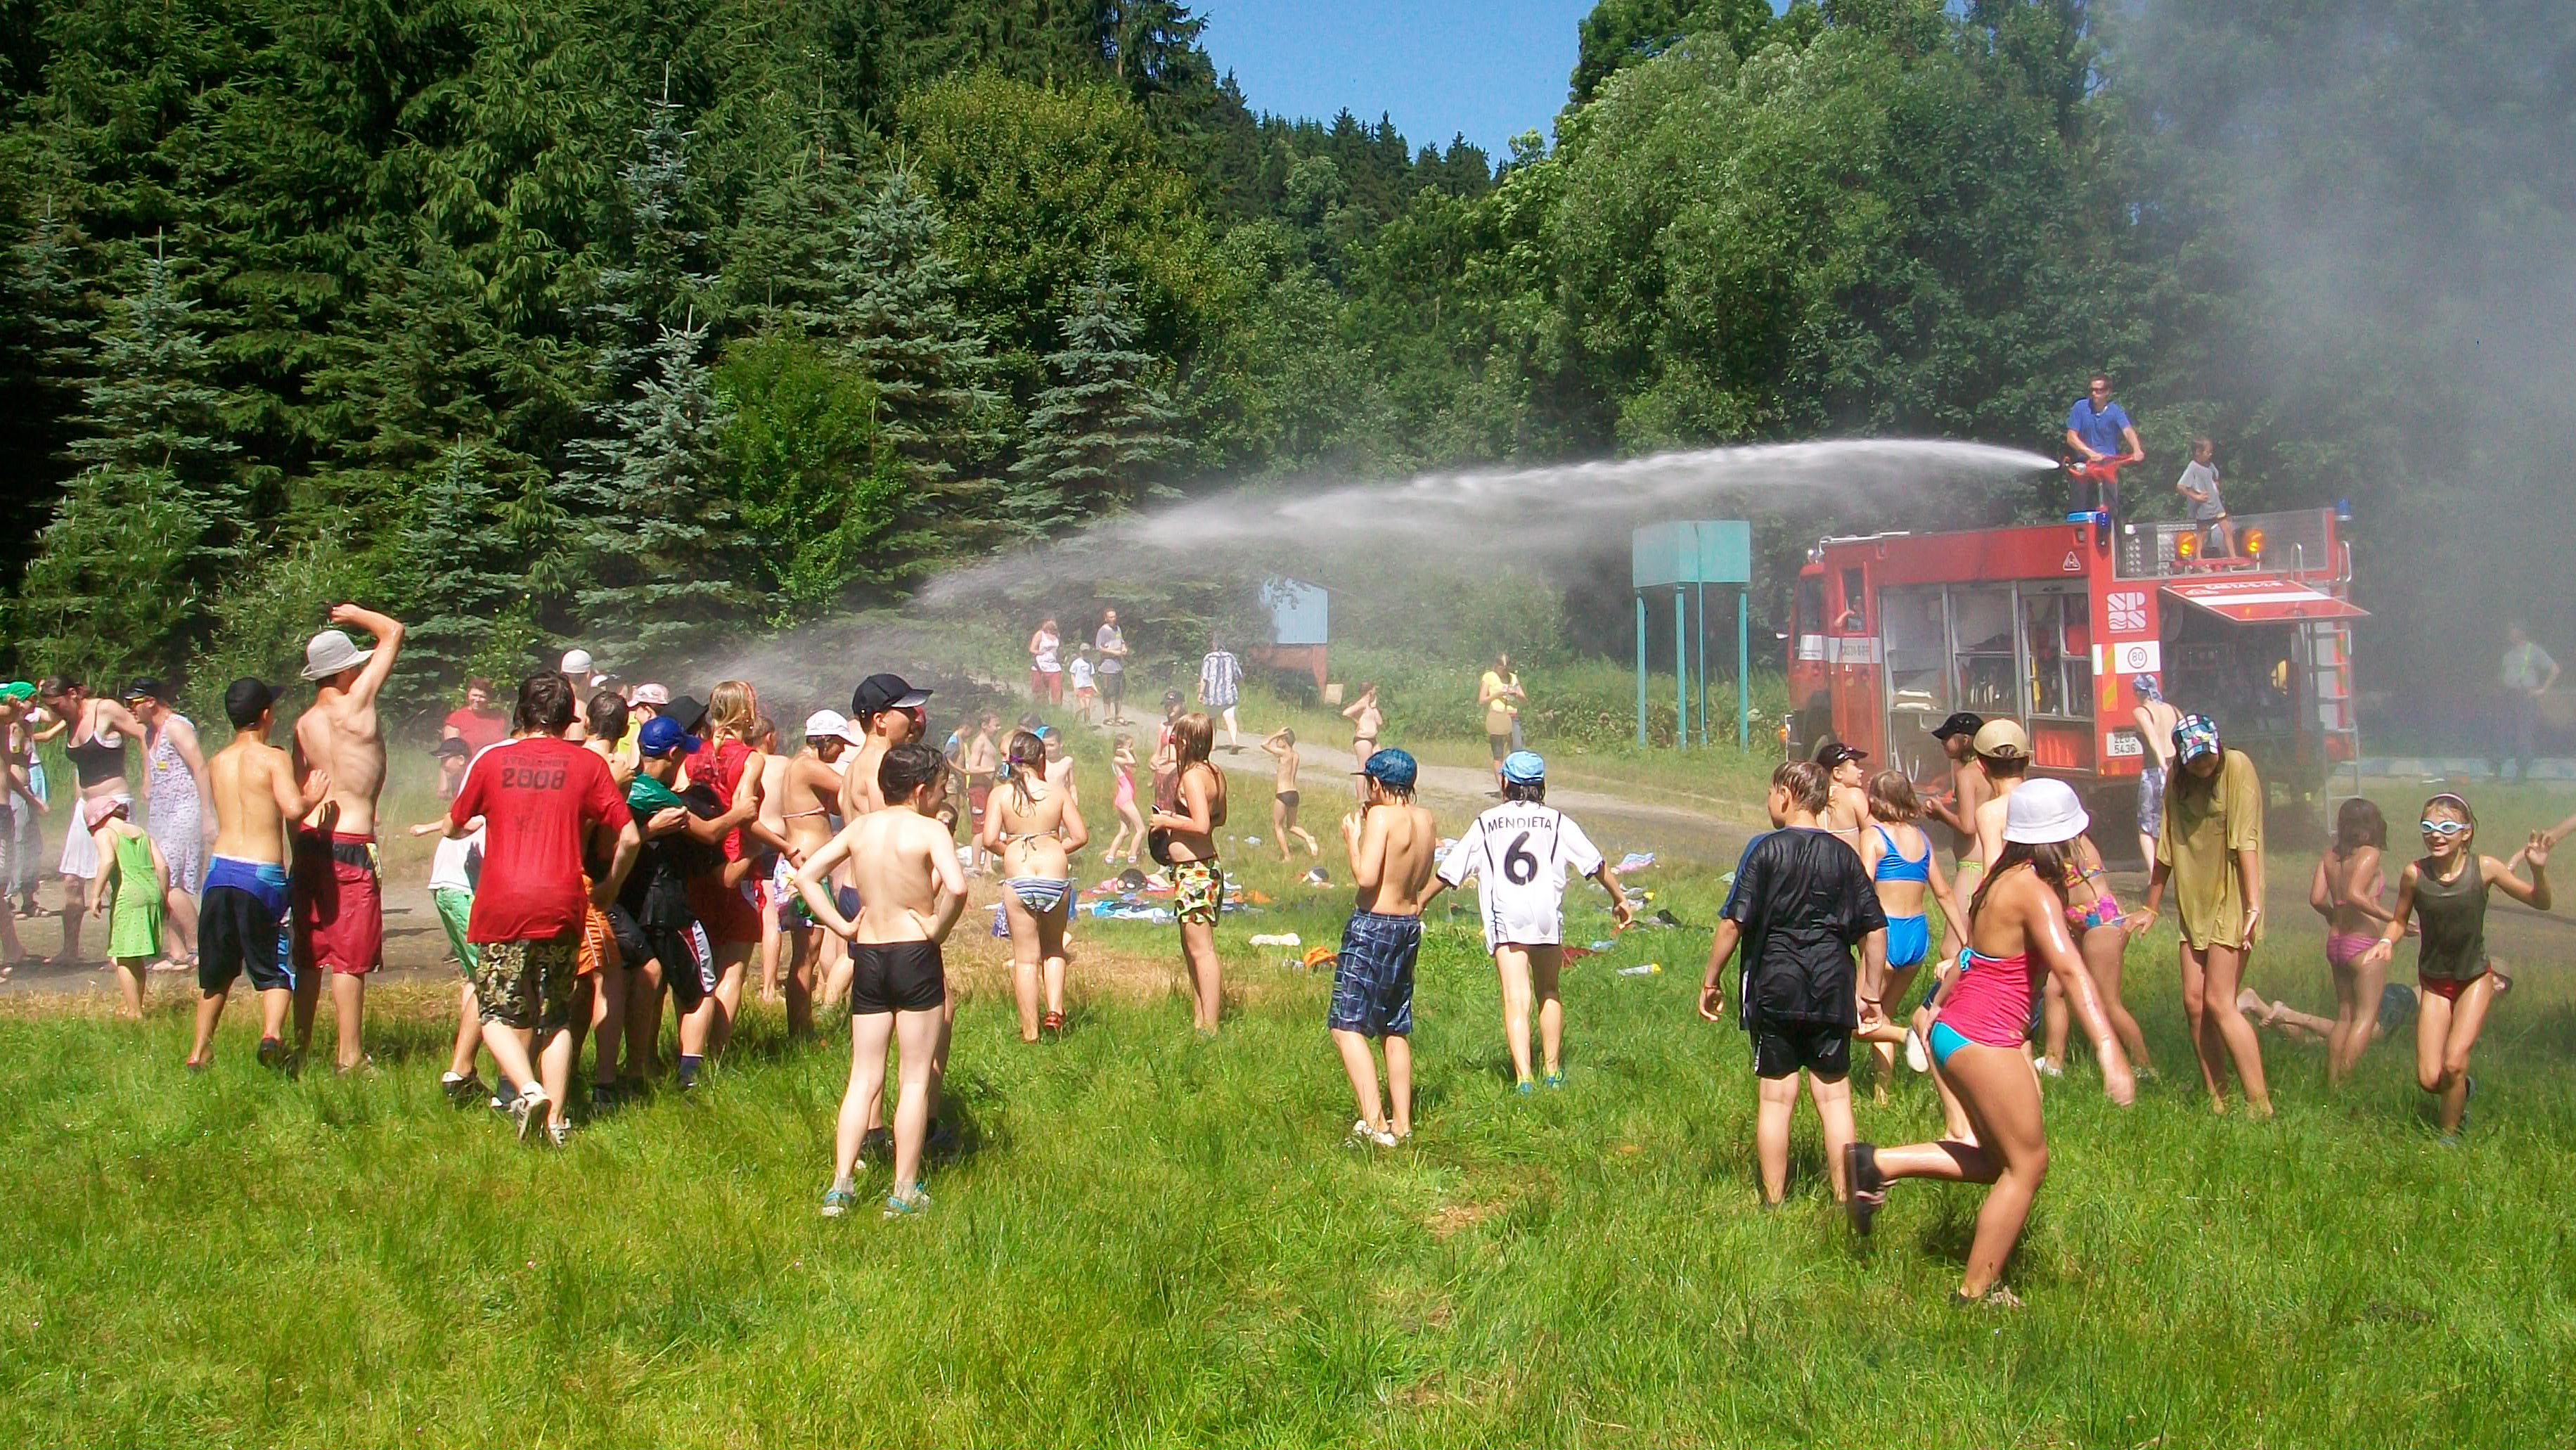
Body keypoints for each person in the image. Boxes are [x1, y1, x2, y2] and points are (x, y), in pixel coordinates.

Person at [1843, 780, 2138, 1305]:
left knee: (1998, 1161)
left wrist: (1933, 1010)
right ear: (2056, 840)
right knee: (2028, 1166)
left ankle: (1878, 1163)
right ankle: (1975, 1293)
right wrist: (2109, 1051)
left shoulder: (2003, 878)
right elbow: (2071, 971)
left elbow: (1974, 959)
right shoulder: (2031, 890)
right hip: (1984, 1037)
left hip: (1959, 1030)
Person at [444, 671, 638, 1142]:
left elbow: (454, 824)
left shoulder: (493, 760)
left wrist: (466, 826)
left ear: (523, 710)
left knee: (495, 1011)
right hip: (562, 902)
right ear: (568, 715)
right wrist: (610, 886)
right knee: (555, 1014)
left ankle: (528, 1089)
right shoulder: (586, 764)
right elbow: (630, 837)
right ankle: (557, 1123)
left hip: (503, 903)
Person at [1698, 760, 1886, 1205]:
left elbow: (1733, 923)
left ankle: (1774, 1201)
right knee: (1835, 1099)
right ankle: (1844, 1197)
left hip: (1775, 987)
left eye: (1769, 792)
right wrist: (1871, 993)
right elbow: (1875, 929)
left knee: (1776, 1099)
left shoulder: (1765, 851)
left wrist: (1711, 979)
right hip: (1832, 987)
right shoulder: (1845, 856)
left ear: (1785, 794)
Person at [798, 743, 965, 1218]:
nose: (942, 796)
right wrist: (937, 928)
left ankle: (840, 1186)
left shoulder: (860, 828)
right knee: (914, 1079)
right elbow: (957, 887)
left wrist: (841, 925)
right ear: (921, 790)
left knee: (863, 1076)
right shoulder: (930, 829)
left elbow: (807, 876)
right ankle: (903, 1191)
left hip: (869, 954)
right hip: (914, 953)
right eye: (941, 788)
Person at [1425, 750, 1633, 1091]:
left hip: (1507, 916)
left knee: (1516, 998)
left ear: (1505, 781)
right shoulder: (1557, 821)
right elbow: (1595, 863)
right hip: (1546, 915)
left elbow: (1450, 872)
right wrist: (1620, 898)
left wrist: (1419, 901)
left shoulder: (1487, 821)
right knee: (1549, 990)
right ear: (1541, 784)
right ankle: (1552, 1072)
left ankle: (1524, 1079)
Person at [2357, 795, 2551, 1141]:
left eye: (2447, 827)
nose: (2436, 835)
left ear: (2466, 833)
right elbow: (2399, 920)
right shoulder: (2414, 874)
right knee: (2430, 1078)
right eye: (2428, 827)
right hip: (2434, 982)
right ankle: (2462, 1090)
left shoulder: (2485, 868)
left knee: (2454, 1063)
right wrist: (2386, 941)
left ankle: (2449, 1138)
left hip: (2474, 978)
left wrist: (2537, 869)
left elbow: (2540, 901)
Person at [188, 680, 331, 1070]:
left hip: (219, 872)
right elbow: (292, 808)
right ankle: (272, 1036)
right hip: (260, 875)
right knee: (274, 967)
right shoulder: (272, 758)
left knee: (217, 972)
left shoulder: (218, 761)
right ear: (266, 714)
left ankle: (199, 1051)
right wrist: (312, 796)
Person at [2136, 714, 2271, 1118]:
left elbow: (2246, 840)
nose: (2203, 763)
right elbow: (2166, 847)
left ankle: (2259, 1103)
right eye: (2194, 758)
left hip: (2233, 897)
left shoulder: (2238, 767)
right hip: (2194, 900)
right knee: (2194, 1003)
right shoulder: (2176, 782)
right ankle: (2218, 1099)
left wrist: (2254, 905)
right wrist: (2151, 906)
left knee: (2218, 1001)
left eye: (2207, 754)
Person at [290, 604, 404, 1074]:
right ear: (342, 672)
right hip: (351, 842)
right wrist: (354, 613)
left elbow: (300, 792)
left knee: (311, 953)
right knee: (349, 957)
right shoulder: (356, 704)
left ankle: (300, 1046)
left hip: (310, 840)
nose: (359, 671)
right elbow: (392, 632)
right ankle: (350, 1056)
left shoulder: (303, 724)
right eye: (353, 666)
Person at [1332, 748, 1437, 1146]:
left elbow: (1366, 877)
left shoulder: (1380, 817)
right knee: (1393, 1024)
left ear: (1376, 783)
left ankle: (1375, 1123)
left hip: (1373, 925)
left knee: (1345, 1026)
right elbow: (1419, 878)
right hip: (1407, 925)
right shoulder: (1425, 819)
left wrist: (1353, 839)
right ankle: (1402, 1123)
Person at [680, 681, 785, 1067]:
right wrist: (783, 845)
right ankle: (718, 1056)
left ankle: (688, 1050)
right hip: (737, 861)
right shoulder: (751, 759)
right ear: (746, 713)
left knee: (699, 965)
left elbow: (680, 798)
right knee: (732, 968)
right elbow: (745, 813)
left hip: (698, 865)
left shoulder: (693, 755)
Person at [1852, 771, 1969, 1098]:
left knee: (1855, 1022)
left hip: (1885, 934)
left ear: (1874, 799)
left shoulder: (1873, 836)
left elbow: (1863, 888)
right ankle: (1882, 1094)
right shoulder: (1922, 839)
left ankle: (1909, 1036)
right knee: (1882, 1015)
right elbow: (1943, 892)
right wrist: (1965, 941)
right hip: (1917, 936)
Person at [981, 729, 1088, 1041]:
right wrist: (1054, 847)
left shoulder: (1000, 795)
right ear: (1041, 759)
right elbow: (1080, 836)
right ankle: (1054, 1010)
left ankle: (1030, 1030)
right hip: (1055, 876)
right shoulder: (1057, 793)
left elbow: (989, 839)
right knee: (1053, 948)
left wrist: (1012, 849)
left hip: (1020, 878)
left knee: (1026, 959)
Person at [37, 676, 148, 967]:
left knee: (117, 878)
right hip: (85, 807)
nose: (54, 711)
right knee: (72, 880)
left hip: (114, 802)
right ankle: (70, 949)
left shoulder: (105, 709)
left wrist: (148, 776)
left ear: (73, 694)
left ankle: (119, 948)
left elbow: (143, 734)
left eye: (57, 704)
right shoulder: (70, 720)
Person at [776, 710, 863, 1038]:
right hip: (805, 865)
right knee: (805, 956)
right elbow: (849, 789)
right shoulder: (808, 766)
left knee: (807, 953)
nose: (841, 752)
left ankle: (802, 1028)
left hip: (803, 863)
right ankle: (800, 1032)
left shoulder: (797, 764)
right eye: (839, 744)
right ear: (824, 740)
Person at [2310, 797, 2396, 1088]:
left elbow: (2316, 899)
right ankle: (2345, 1084)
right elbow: (2356, 895)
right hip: (2363, 942)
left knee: (2344, 1016)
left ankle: (2332, 1082)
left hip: (2336, 942)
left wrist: (2332, 915)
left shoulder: (2330, 856)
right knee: (2366, 1017)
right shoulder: (2369, 854)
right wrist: (2395, 918)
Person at [127, 678, 212, 973]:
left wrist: (207, 813)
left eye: (134, 703)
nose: (130, 709)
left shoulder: (177, 726)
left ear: (151, 701)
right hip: (161, 814)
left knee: (171, 880)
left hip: (184, 810)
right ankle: (177, 951)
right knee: (158, 880)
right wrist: (147, 782)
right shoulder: (150, 731)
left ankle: (201, 945)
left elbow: (200, 766)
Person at [1150, 712, 1228, 1034]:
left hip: (1196, 871)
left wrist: (1167, 821)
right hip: (1202, 868)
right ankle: (1200, 1020)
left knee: (1202, 950)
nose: (1172, 743)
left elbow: (1203, 825)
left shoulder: (1194, 777)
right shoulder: (1215, 773)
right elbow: (1220, 818)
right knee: (1192, 949)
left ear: (1187, 741)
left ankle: (1210, 1026)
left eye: (1176, 738)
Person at [410, 800, 491, 1105]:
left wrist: (428, 827)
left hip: (448, 887)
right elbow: (468, 821)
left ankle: (466, 1063)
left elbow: (459, 818)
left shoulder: (481, 780)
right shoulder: (500, 781)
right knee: (491, 975)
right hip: (463, 888)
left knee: (476, 976)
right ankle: (461, 1071)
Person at [85, 798, 167, 1020]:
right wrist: (163, 897)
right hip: (152, 891)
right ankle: (135, 1004)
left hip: (129, 895)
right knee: (135, 956)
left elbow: (107, 861)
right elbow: (162, 867)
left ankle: (134, 1012)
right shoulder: (142, 833)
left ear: (96, 821)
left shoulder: (105, 833)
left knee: (123, 956)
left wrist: (95, 894)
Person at [2063, 371, 2144, 517]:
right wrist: (2091, 454)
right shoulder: (2080, 407)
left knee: (2112, 507)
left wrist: (2137, 449)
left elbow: (2127, 430)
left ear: (2108, 392)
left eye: (2099, 390)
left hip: (2107, 463)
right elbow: (2071, 437)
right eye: (2092, 390)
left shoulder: (2115, 411)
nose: (2094, 394)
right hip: (2085, 463)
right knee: (2080, 507)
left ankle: (2113, 529)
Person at [1920, 712, 1990, 868]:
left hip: (1972, 863)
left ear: (1964, 740)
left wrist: (1940, 812)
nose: (1942, 742)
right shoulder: (1987, 769)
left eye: (1947, 737)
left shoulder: (1966, 774)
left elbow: (1968, 826)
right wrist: (1947, 808)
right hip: (1987, 856)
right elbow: (1976, 809)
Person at [2494, 622, 2558, 783]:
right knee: (2503, 731)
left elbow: (2554, 669)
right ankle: (2497, 770)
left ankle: (2522, 772)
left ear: (2521, 632)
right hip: (2508, 696)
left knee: (2524, 734)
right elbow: (2504, 675)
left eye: (2513, 630)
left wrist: (2542, 690)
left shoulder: (2534, 651)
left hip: (2525, 697)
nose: (2510, 634)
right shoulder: (2508, 654)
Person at [2132, 676, 2179, 867]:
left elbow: (2153, 739)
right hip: (2177, 768)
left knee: (2146, 826)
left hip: (2155, 771)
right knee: (2172, 820)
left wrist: (2162, 765)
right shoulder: (2173, 710)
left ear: (2138, 692)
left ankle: (2154, 874)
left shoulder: (2141, 712)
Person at [1261, 727, 1322, 861]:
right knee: (1292, 826)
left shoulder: (1284, 754)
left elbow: (1264, 744)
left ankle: (1287, 856)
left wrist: (1275, 734)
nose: (1277, 742)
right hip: (1294, 793)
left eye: (1279, 739)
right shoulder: (1295, 755)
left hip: (1283, 793)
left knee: (1278, 826)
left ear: (1284, 741)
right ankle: (1308, 837)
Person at [2174, 437, 2233, 560]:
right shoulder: (2193, 467)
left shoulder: (2210, 465)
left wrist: (2216, 485)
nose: (2210, 454)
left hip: (2216, 504)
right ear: (2198, 452)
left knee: (2227, 529)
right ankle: (2199, 558)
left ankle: (2233, 556)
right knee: (2202, 533)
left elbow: (2215, 477)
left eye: (2211, 452)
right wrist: (2196, 496)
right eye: (2207, 452)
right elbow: (2181, 486)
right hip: (2204, 506)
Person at [955, 714, 998, 876]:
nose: (998, 728)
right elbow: (972, 768)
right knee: (980, 827)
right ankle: (975, 865)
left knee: (992, 824)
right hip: (978, 788)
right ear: (985, 725)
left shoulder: (990, 742)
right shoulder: (979, 742)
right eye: (995, 725)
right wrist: (993, 769)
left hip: (988, 787)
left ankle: (988, 865)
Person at [1478, 653, 1525, 789]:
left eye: (1506, 668)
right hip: (1498, 716)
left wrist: (1516, 694)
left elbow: (1524, 699)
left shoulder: (1513, 678)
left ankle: (1514, 782)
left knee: (1517, 751)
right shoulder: (1489, 677)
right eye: (1502, 668)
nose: (1504, 671)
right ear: (1496, 666)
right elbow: (1482, 700)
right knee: (1498, 754)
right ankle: (1503, 788)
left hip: (1512, 717)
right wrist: (1497, 695)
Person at [1104, 735, 1146, 866]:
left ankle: (1110, 857)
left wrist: (1130, 752)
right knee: (1141, 829)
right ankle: (1132, 857)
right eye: (1130, 746)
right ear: (1120, 747)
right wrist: (1125, 752)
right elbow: (1132, 762)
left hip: (1125, 798)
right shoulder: (1117, 760)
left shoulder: (1124, 762)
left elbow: (1136, 764)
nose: (1132, 748)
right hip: (1125, 799)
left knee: (1125, 831)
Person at [1817, 742, 1869, 845]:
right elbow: (1875, 835)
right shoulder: (1854, 795)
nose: (1861, 771)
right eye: (1855, 765)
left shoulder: (1812, 798)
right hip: (1850, 854)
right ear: (1838, 773)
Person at [442, 678, 509, 759]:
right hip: (470, 765)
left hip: (497, 763)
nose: (477, 700)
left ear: (489, 699)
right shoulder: (456, 718)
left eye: (482, 697)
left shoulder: (498, 717)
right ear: (468, 696)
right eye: (474, 695)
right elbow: (450, 752)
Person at [1197, 636, 1244, 750]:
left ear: (1214, 645)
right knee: (1230, 718)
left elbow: (1204, 678)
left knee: (1212, 720)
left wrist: (1201, 693)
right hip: (1229, 695)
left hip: (1212, 696)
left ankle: (1213, 744)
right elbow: (1238, 675)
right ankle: (1234, 742)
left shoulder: (1208, 658)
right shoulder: (1231, 657)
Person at [1094, 608, 1130, 724]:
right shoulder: (1103, 631)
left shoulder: (1117, 629)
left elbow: (1121, 641)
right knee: (1108, 692)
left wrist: (1124, 648)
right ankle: (1107, 717)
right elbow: (1099, 647)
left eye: (1114, 617)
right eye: (1110, 617)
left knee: (1119, 692)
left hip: (1118, 666)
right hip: (1107, 666)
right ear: (1106, 618)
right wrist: (1114, 652)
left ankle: (1118, 715)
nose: (1113, 619)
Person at [1342, 682, 1382, 770]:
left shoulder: (1370, 706)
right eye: (1374, 691)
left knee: (1378, 765)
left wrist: (1374, 707)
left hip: (1373, 740)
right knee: (1364, 769)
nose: (1375, 694)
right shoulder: (1362, 704)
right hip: (1363, 739)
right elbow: (1346, 713)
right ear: (1370, 692)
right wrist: (1357, 723)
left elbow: (1379, 722)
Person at [1029, 617, 1064, 704]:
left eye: (1053, 621)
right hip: (1040, 666)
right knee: (1040, 693)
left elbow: (1058, 651)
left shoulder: (1057, 635)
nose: (1052, 623)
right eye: (1049, 621)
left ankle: (1056, 709)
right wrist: (1039, 652)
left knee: (1057, 690)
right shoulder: (1040, 634)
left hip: (1054, 666)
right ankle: (1042, 708)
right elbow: (1032, 649)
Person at [1069, 645, 1097, 724]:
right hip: (1080, 687)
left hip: (1088, 686)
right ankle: (1075, 720)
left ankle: (1087, 722)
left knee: (1088, 706)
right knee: (1083, 707)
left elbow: (1091, 677)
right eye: (1083, 651)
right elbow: (1072, 674)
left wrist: (1094, 687)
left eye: (1086, 651)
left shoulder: (1090, 663)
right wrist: (1075, 686)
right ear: (1080, 652)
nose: (1085, 653)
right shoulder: (1076, 663)